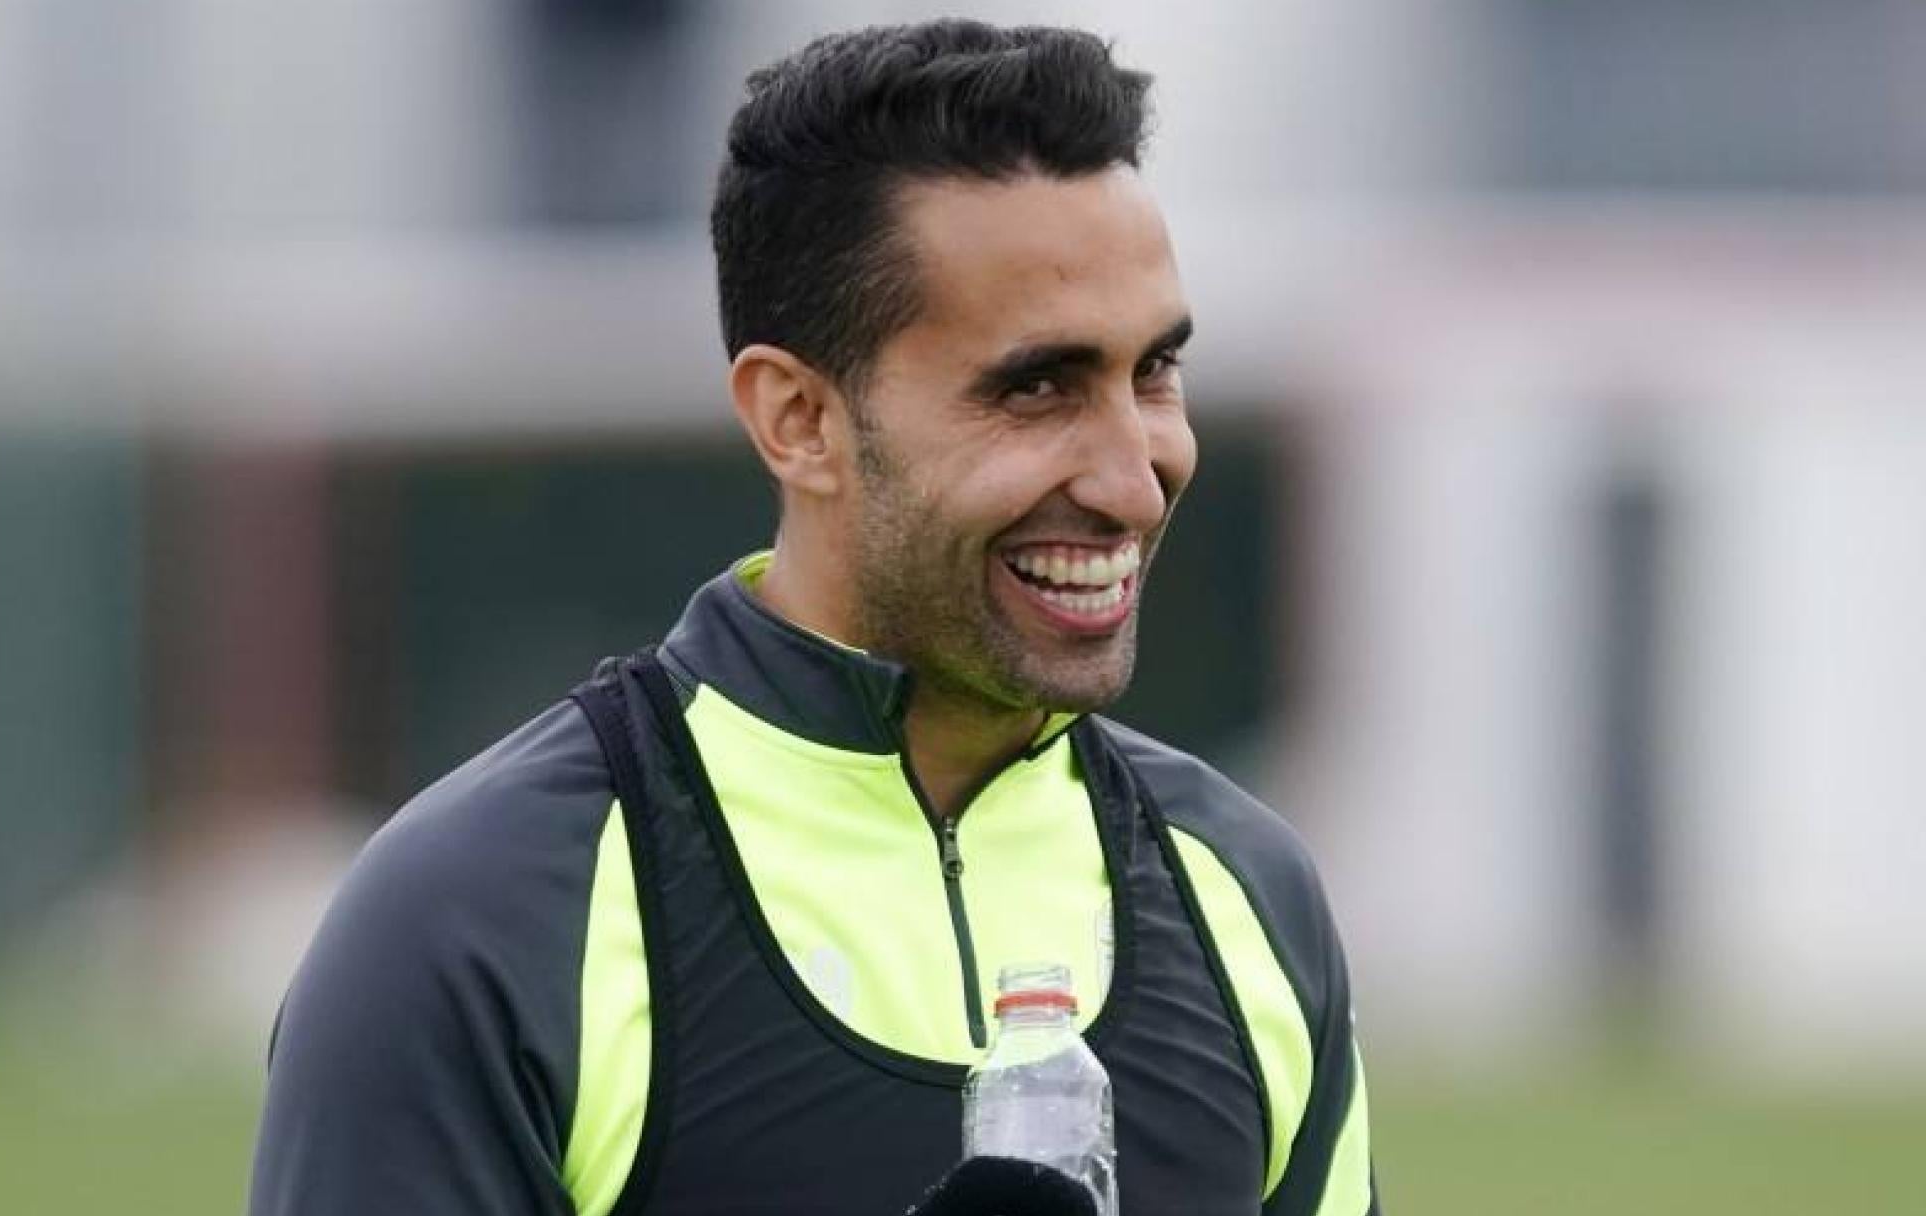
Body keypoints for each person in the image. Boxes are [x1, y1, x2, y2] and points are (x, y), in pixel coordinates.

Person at [249, 20, 1377, 1216]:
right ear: (796, 419)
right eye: (1036, 387)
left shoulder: (1246, 894)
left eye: (1152, 373)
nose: (1133, 476)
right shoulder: (477, 917)